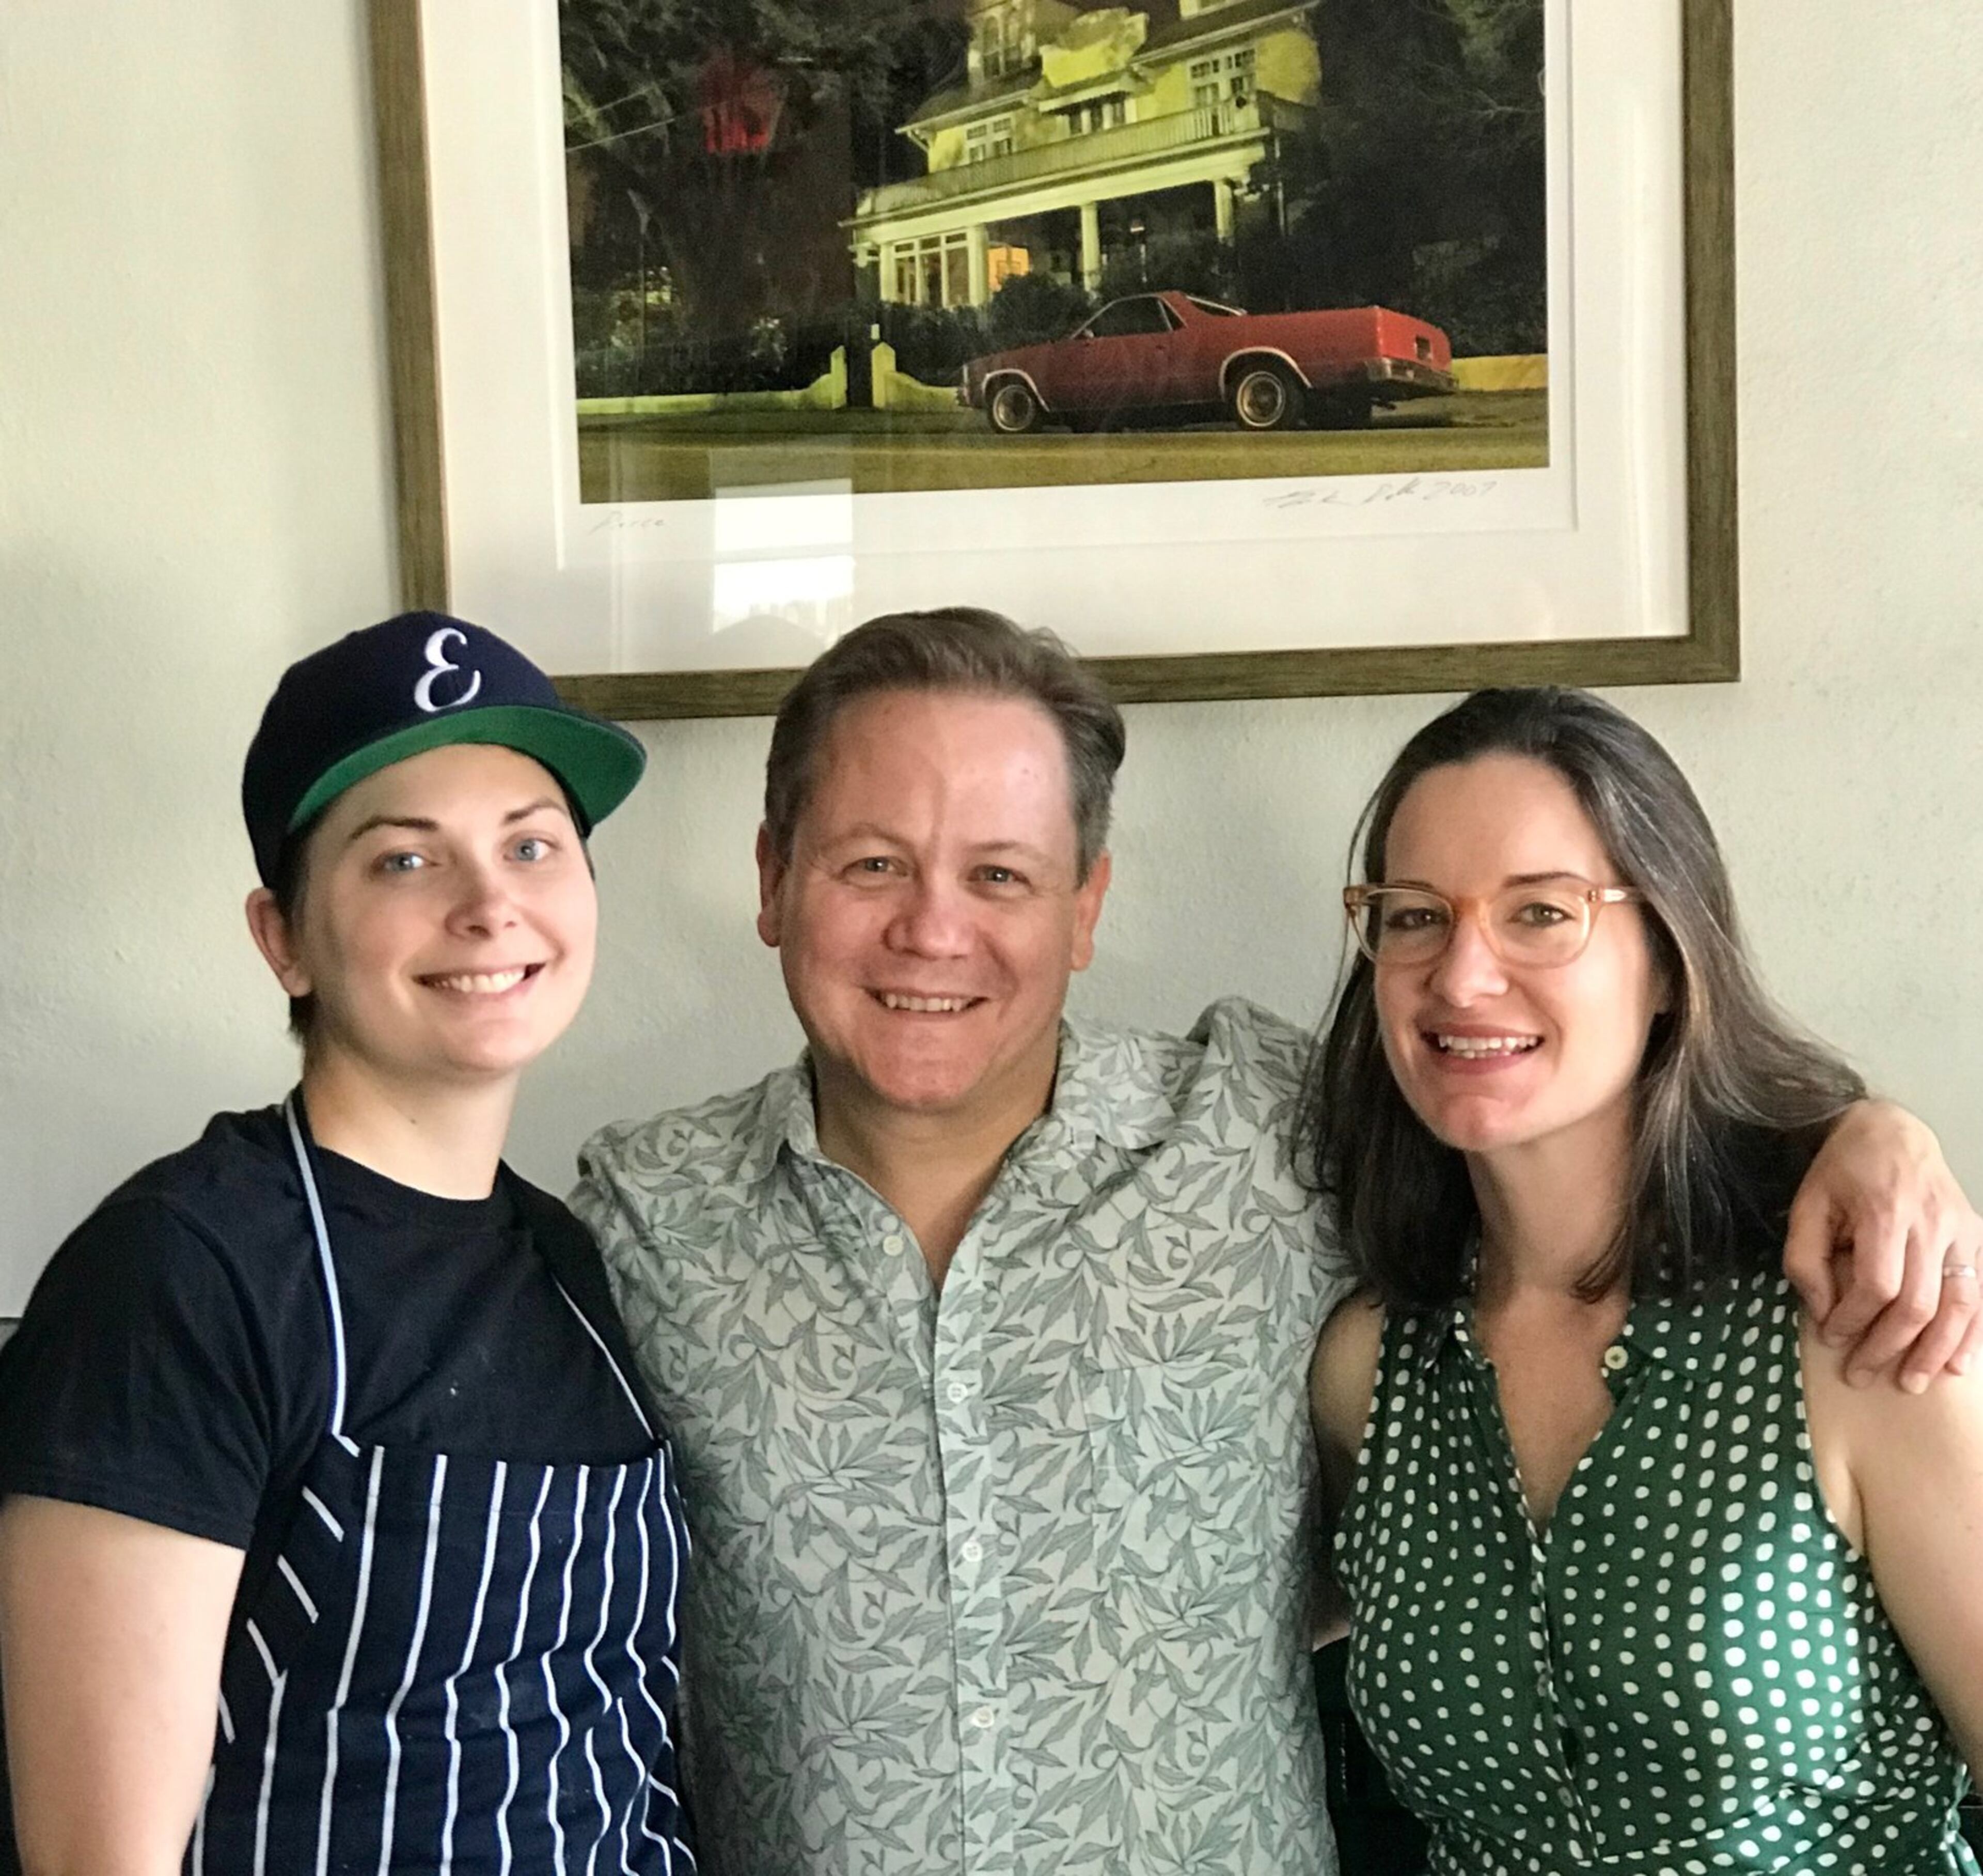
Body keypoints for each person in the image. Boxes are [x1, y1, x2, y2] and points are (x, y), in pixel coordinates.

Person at [573, 608, 1980, 1876]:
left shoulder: (1261, 1136)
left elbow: (1545, 1086)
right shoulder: (638, 1225)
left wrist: (1866, 1132)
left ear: (1087, 909)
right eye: (872, 862)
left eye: (1002, 874)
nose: (933, 929)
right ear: (773, 881)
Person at [0, 613, 695, 1874]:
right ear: (284, 939)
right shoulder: (183, 1270)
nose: (492, 906)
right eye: (404, 863)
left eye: (532, 845)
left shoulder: (575, 1261)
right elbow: (97, 1857)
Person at [1307, 686, 1982, 1873]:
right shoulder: (1372, 1366)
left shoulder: (1854, 1327)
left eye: (1540, 913)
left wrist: (1877, 1125)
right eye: (1415, 916)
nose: (1462, 975)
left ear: (1669, 958)